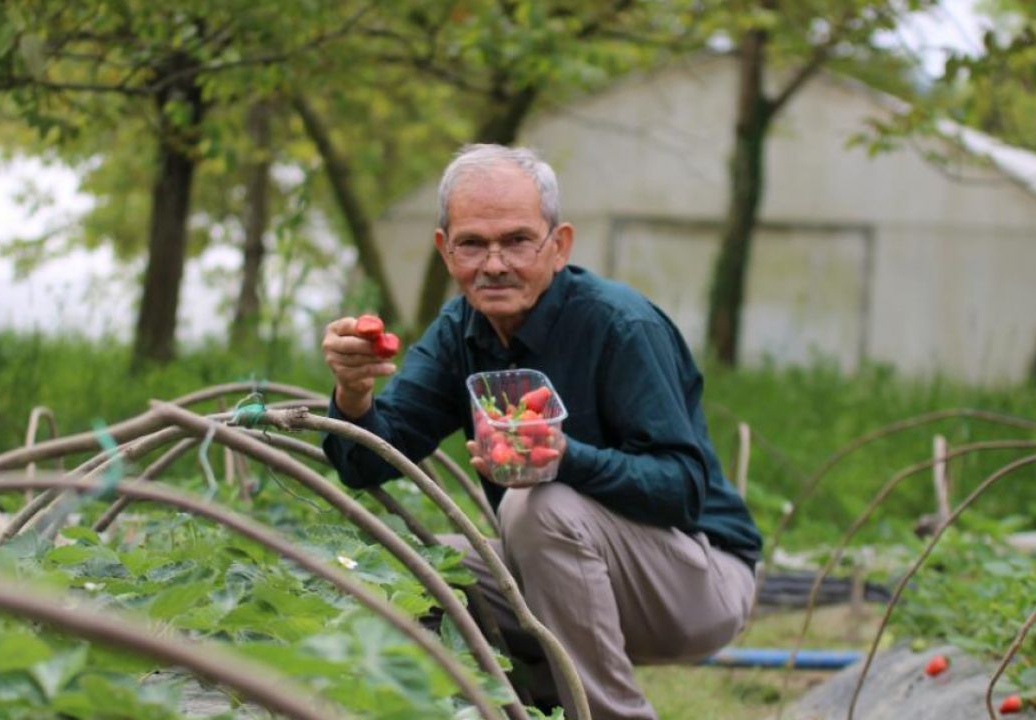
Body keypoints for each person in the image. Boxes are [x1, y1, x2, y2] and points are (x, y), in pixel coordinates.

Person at [321, 143, 760, 720]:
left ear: (560, 246)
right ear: (443, 249)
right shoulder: (461, 332)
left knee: (537, 506)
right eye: (473, 243)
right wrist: (354, 393)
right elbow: (368, 464)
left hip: (699, 579)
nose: (494, 264)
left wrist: (565, 459)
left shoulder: (619, 326)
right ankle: (519, 710)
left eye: (518, 241)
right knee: (414, 564)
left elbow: (682, 488)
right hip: (571, 576)